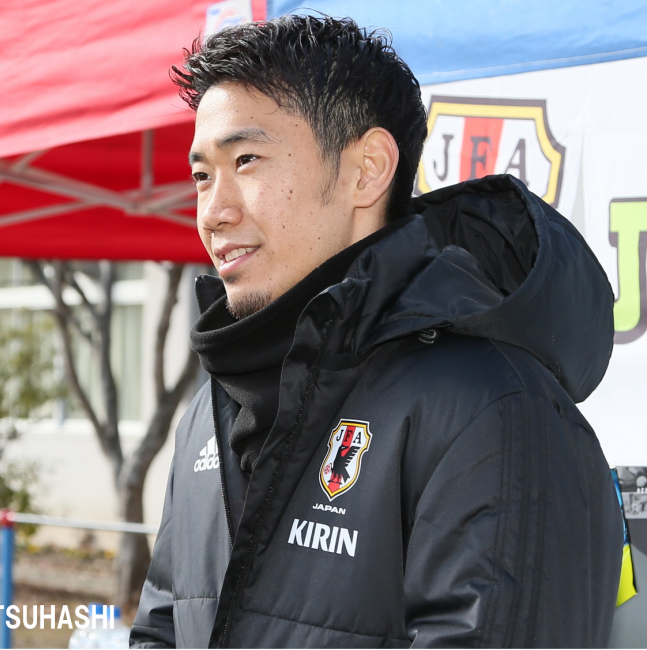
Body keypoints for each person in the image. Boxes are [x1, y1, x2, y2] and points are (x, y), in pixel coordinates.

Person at [132, 15, 621, 649]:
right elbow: (161, 628)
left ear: (367, 170)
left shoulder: (492, 406)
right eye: (203, 175)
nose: (214, 212)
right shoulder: (212, 406)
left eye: (246, 160)